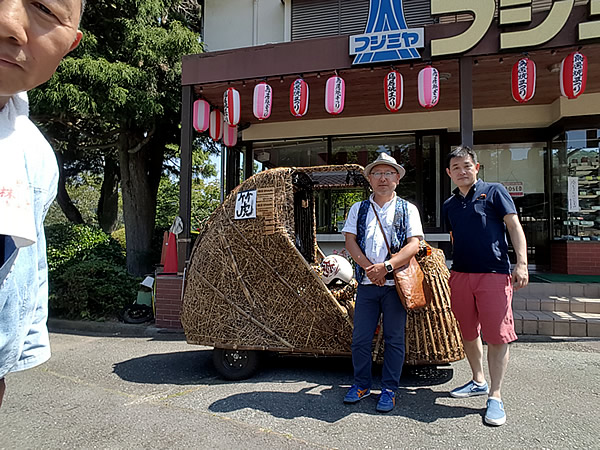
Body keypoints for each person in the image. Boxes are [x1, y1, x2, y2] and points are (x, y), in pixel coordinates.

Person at [0, 0, 84, 407]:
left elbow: (27, 264)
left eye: (44, 9)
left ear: (70, 44)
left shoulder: (36, 155)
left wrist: (12, 352)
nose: (9, 23)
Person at [443, 145, 528, 426]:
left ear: (476, 167)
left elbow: (514, 227)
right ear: (449, 173)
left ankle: (495, 395)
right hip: (461, 275)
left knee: (497, 336)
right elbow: (456, 237)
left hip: (494, 274)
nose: (462, 171)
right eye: (456, 167)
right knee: (468, 331)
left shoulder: (494, 191)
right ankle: (478, 380)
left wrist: (522, 263)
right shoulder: (450, 205)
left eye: (466, 165)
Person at [341, 152, 424, 413]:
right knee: (360, 338)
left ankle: (389, 389)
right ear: (369, 179)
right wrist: (369, 268)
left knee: (394, 339)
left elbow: (414, 244)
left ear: (397, 178)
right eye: (377, 173)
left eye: (389, 173)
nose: (383, 178)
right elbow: (350, 241)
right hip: (366, 284)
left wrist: (386, 267)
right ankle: (361, 384)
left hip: (395, 286)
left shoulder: (408, 209)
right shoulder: (359, 208)